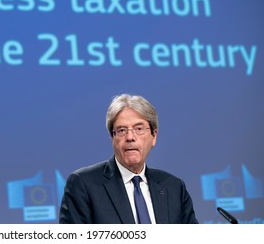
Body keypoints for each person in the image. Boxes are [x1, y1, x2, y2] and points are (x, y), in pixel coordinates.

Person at [59, 93, 198, 224]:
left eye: (139, 129)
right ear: (112, 138)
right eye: (121, 130)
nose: (130, 137)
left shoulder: (173, 187)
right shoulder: (83, 184)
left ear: (154, 136)